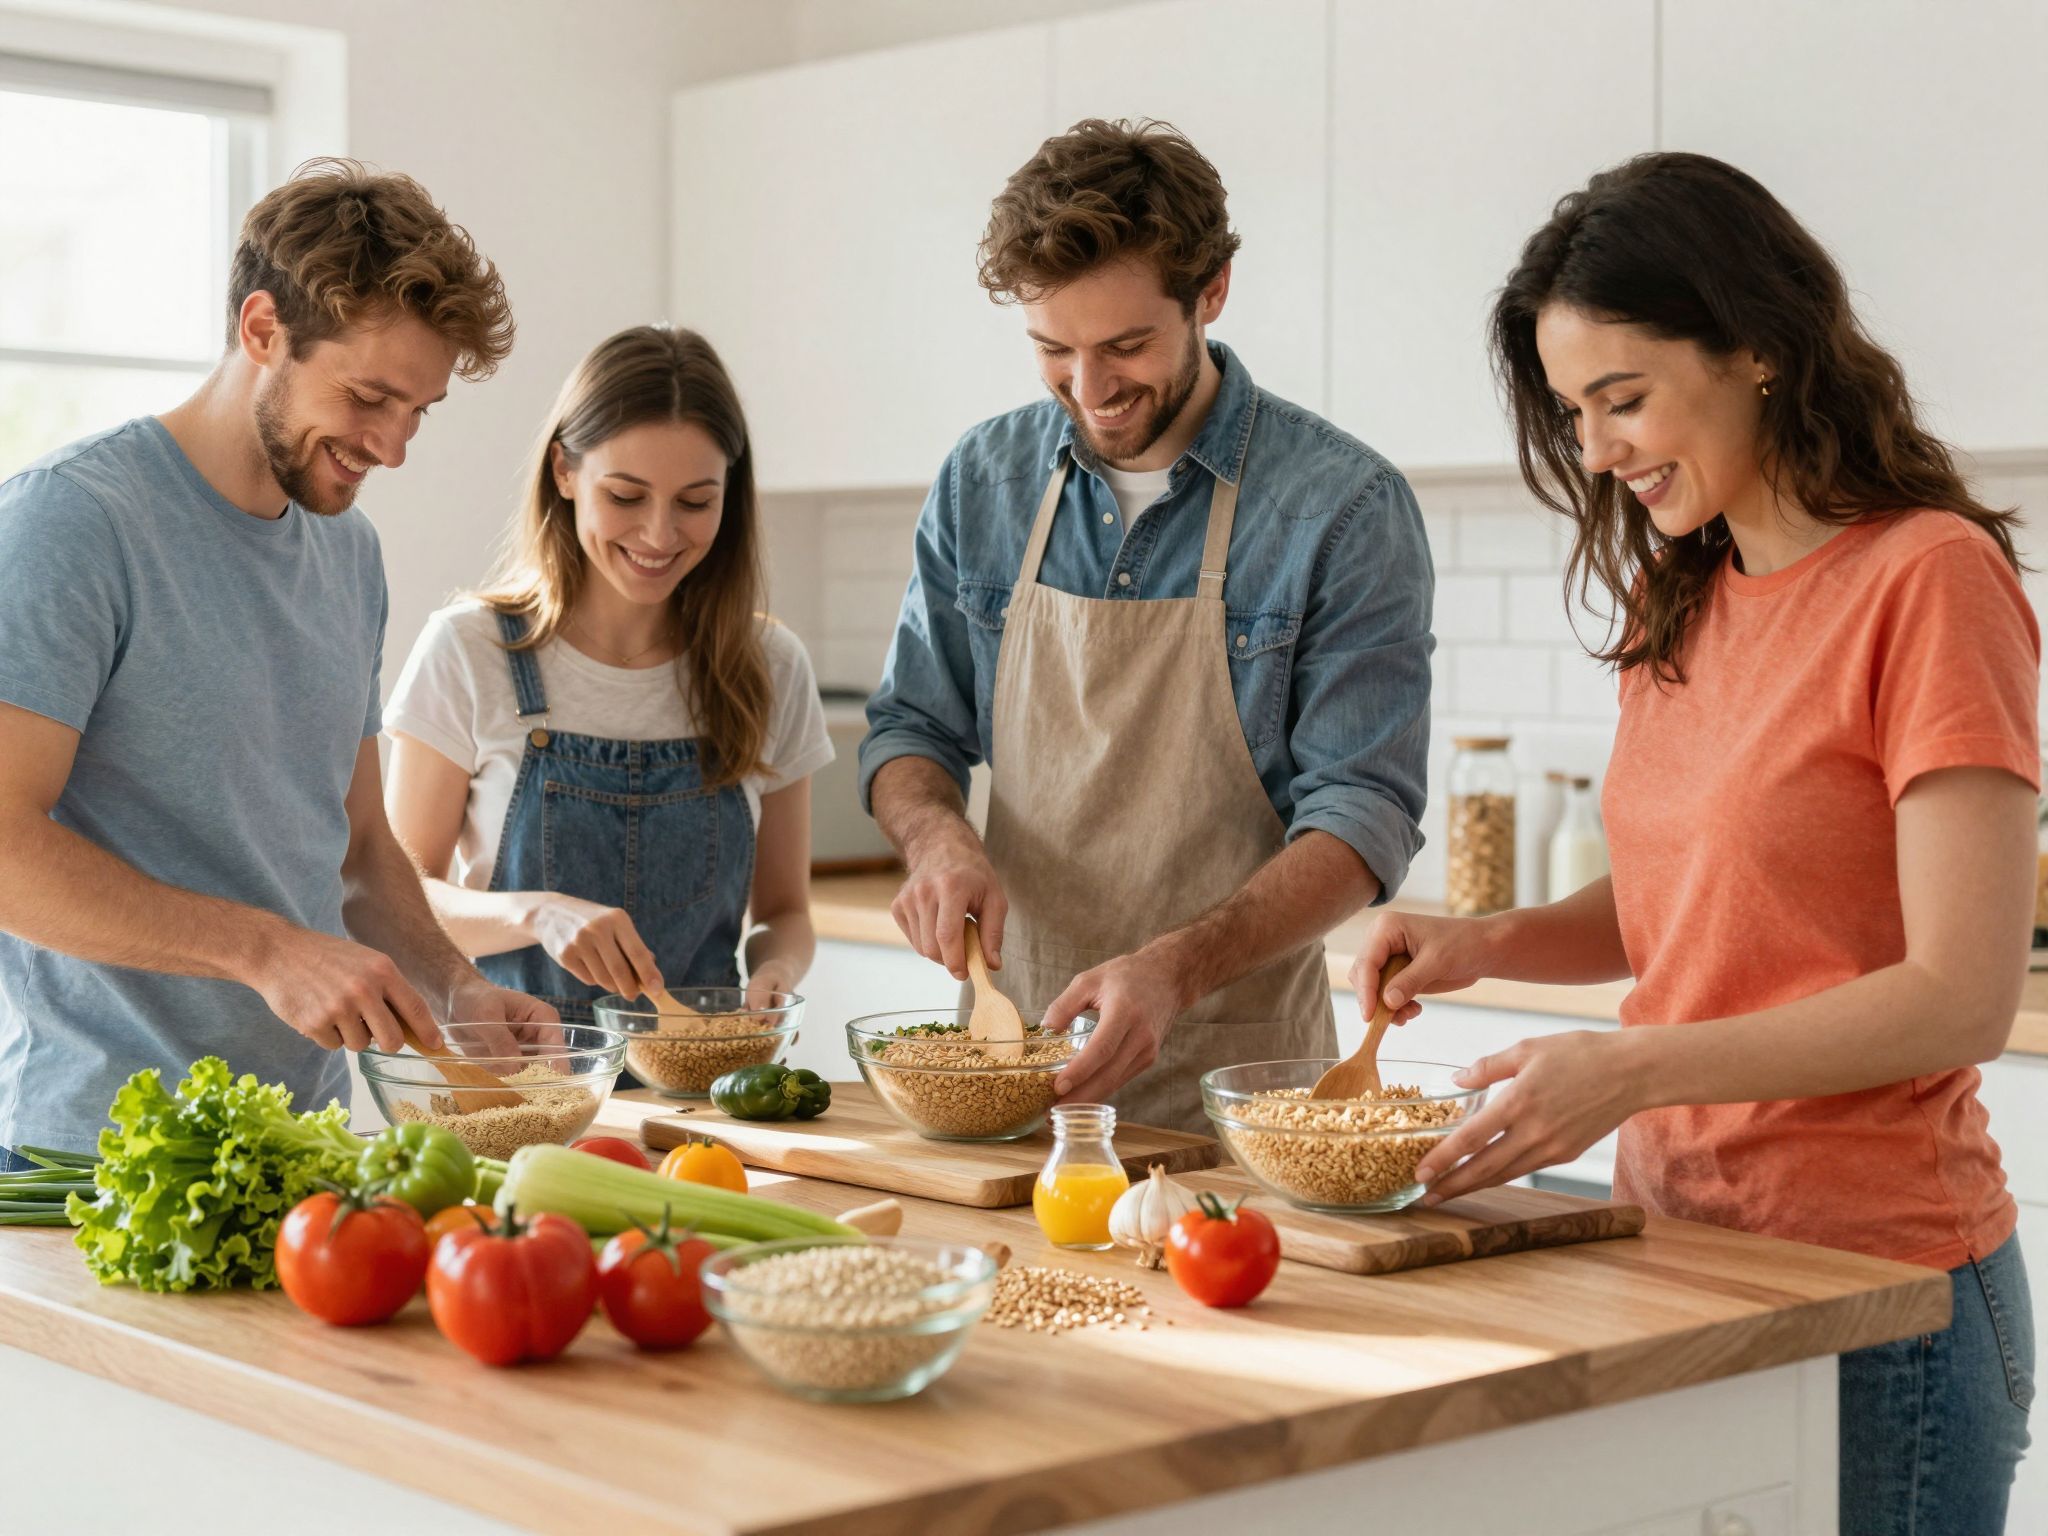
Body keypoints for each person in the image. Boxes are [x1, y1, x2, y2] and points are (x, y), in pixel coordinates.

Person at [1352, 151, 2036, 1530]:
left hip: (1877, 1290)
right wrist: (1489, 940)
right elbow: (1693, 898)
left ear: (1761, 350)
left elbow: (1960, 995)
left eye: (1623, 398)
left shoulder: (1928, 579)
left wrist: (1632, 1066)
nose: (1596, 449)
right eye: (1572, 410)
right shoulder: (1688, 589)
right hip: (1675, 1246)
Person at [861, 119, 1433, 1134]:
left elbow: (1360, 818)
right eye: (1053, 351)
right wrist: (935, 836)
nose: (1089, 390)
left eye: (1125, 346)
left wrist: (1176, 967)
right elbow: (910, 728)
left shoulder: (1340, 507)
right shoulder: (982, 481)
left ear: (1210, 292)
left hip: (1243, 1105)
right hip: (1006, 1084)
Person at [0, 160, 552, 1167]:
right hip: (91, 1158)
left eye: (418, 412)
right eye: (370, 397)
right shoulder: (73, 524)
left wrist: (451, 986)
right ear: (263, 331)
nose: (391, 447)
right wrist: (265, 951)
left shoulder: (348, 554)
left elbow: (356, 848)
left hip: (304, 1141)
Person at [383, 326, 832, 1022]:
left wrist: (777, 967)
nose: (659, 535)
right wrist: (536, 914)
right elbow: (399, 897)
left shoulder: (771, 667)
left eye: (694, 502)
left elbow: (783, 910)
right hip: (520, 1085)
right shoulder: (470, 652)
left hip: (696, 1095)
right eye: (626, 496)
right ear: (564, 471)